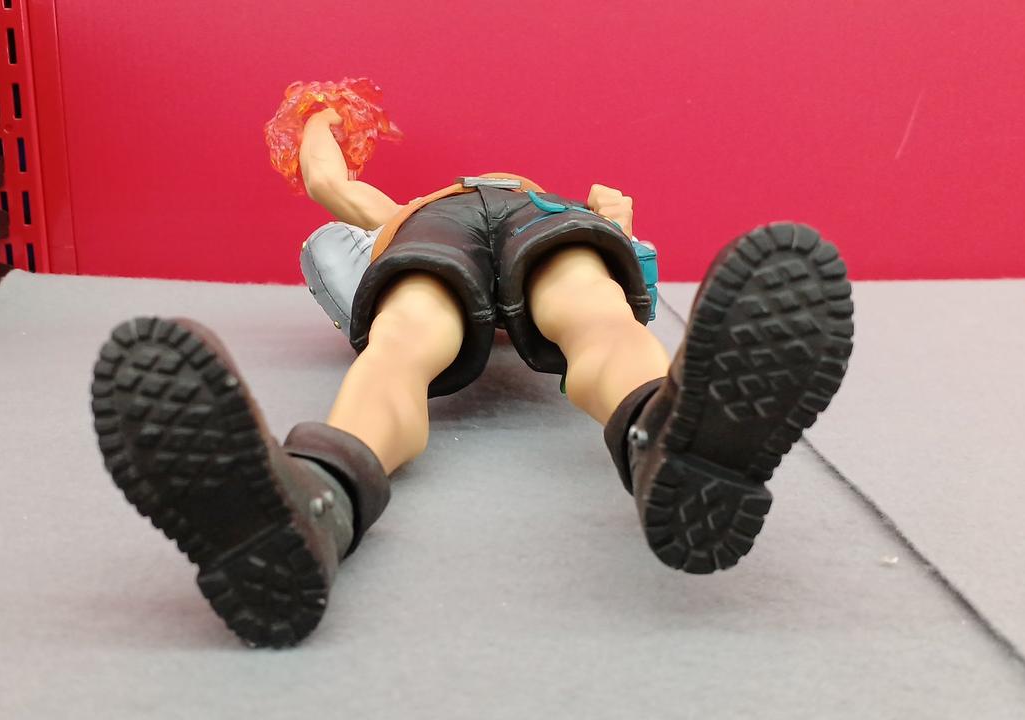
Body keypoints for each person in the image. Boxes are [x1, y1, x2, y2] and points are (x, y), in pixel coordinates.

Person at [89, 108, 855, 648]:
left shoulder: (457, 206)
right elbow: (325, 179)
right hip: (466, 226)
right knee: (560, 315)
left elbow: (326, 178)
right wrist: (317, 114)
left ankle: (324, 493)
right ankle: (658, 431)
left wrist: (611, 218)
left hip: (515, 221)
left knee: (441, 334)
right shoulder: (405, 208)